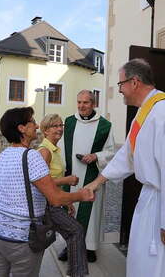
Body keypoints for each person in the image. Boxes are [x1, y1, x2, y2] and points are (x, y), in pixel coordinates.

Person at [85, 58, 165, 277]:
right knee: (142, 263)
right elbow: (127, 155)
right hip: (152, 202)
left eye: (121, 84)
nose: (120, 90)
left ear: (134, 82)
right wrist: (97, 182)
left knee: (161, 266)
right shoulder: (146, 111)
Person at [0, 107, 94, 277]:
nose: (36, 126)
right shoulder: (32, 156)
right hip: (19, 238)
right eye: (32, 122)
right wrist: (81, 195)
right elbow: (55, 198)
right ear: (21, 128)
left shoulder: (3, 155)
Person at [59, 90, 115, 263]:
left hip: (92, 176)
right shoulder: (68, 122)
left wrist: (96, 156)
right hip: (71, 176)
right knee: (69, 212)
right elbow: (60, 146)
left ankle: (90, 248)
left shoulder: (105, 125)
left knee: (91, 214)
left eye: (86, 102)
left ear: (93, 104)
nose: (82, 106)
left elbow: (111, 151)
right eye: (79, 102)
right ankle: (69, 247)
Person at [38, 113, 88, 277]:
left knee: (73, 232)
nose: (60, 129)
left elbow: (53, 179)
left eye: (61, 125)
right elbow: (41, 183)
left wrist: (66, 202)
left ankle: (76, 272)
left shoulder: (55, 149)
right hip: (49, 205)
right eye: (55, 126)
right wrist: (67, 180)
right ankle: (77, 273)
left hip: (55, 203)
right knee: (76, 231)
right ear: (45, 130)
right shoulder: (45, 151)